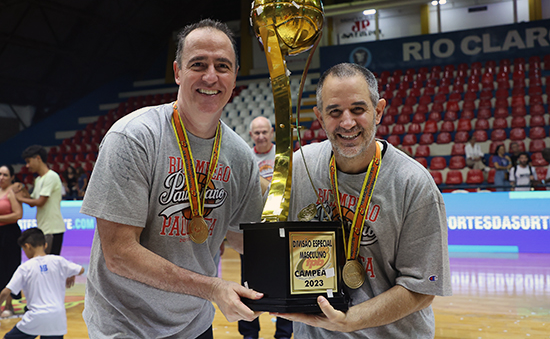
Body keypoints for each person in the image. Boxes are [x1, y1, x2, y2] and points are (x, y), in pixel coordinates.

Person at [80, 19, 265, 339]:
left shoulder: (239, 156)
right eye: (199, 64)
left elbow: (242, 238)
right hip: (125, 326)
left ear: (235, 77)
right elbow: (119, 255)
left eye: (223, 66)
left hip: (194, 324)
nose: (211, 76)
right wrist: (212, 288)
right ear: (178, 71)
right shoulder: (133, 137)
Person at [276, 63, 452, 338]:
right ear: (320, 117)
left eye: (358, 109)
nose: (347, 123)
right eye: (335, 112)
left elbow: (422, 289)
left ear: (378, 111)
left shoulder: (413, 184)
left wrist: (348, 320)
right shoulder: (300, 168)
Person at [238, 116, 293, 339]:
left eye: (264, 132)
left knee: (285, 284)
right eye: (256, 133)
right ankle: (249, 334)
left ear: (271, 132)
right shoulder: (245, 159)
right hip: (252, 234)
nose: (261, 136)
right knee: (248, 285)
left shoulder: (284, 158)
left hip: (280, 230)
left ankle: (283, 334)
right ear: (251, 135)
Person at [0, 227, 84, 339]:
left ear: (27, 246)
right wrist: (70, 274)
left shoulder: (25, 268)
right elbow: (81, 270)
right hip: (57, 318)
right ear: (45, 245)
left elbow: (5, 292)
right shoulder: (58, 261)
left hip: (36, 318)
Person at [15, 145, 65, 255]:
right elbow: (33, 201)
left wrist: (20, 199)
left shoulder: (51, 176)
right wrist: (23, 189)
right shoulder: (38, 179)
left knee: (50, 264)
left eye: (28, 161)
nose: (27, 166)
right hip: (43, 227)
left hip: (53, 229)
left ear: (38, 158)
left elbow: (40, 202)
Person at [0, 164, 23, 318]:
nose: (1, 177)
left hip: (10, 234)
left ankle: (9, 305)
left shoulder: (12, 192)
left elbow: (18, 214)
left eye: (5, 175)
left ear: (12, 177)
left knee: (10, 268)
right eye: (0, 174)